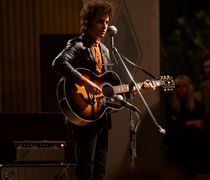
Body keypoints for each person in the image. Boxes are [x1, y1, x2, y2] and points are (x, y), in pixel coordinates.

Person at [52, 1, 154, 180]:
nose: (105, 26)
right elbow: (59, 62)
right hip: (83, 113)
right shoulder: (78, 44)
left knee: (100, 169)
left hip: (100, 116)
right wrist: (84, 82)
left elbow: (108, 90)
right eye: (100, 21)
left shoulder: (105, 50)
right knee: (85, 168)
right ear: (89, 22)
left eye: (107, 22)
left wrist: (137, 89)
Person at [165, 75, 208, 179]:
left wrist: (183, 123)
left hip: (193, 148)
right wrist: (191, 123)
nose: (181, 89)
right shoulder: (172, 106)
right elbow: (172, 126)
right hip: (177, 148)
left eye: (184, 86)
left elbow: (201, 124)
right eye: (178, 86)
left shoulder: (197, 105)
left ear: (189, 87)